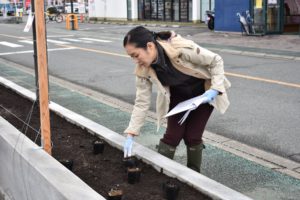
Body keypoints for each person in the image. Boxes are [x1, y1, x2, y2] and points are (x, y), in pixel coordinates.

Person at [123, 26, 230, 172]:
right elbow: (141, 102)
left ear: (149, 46)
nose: (136, 61)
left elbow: (216, 60)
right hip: (178, 97)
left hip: (203, 95)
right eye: (131, 57)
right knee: (172, 136)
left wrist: (214, 89)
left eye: (136, 55)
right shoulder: (143, 69)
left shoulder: (180, 48)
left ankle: (194, 175)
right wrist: (131, 133)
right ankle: (160, 172)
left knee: (193, 137)